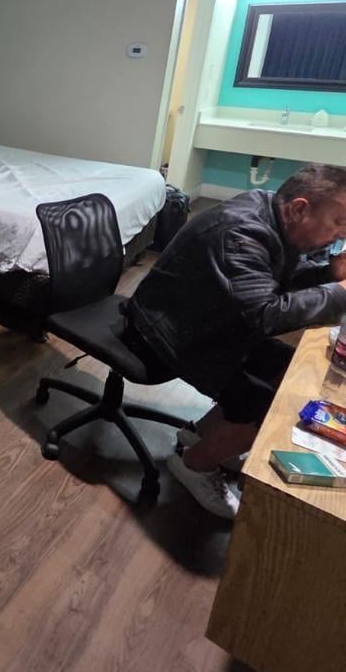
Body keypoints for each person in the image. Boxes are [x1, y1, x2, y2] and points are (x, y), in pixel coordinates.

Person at [123, 164, 346, 518]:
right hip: (161, 333)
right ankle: (195, 465)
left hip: (199, 317)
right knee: (269, 403)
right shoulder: (241, 232)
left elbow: (272, 281)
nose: (341, 234)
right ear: (299, 208)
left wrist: (327, 274)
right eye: (339, 222)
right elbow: (266, 315)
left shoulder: (272, 215)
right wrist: (340, 291)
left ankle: (201, 436)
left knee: (287, 370)